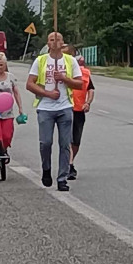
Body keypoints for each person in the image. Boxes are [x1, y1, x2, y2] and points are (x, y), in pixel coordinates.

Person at [26, 32, 83, 192]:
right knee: (46, 143)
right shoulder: (41, 60)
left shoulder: (70, 61)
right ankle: (46, 169)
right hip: (45, 108)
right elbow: (30, 84)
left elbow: (79, 84)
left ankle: (62, 178)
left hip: (64, 107)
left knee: (65, 144)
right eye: (52, 39)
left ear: (62, 43)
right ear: (48, 44)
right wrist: (48, 93)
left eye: (58, 39)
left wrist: (64, 79)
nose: (55, 42)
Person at [63, 45, 95, 180]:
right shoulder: (60, 71)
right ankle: (69, 165)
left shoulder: (84, 73)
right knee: (68, 140)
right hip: (65, 109)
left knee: (76, 141)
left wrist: (88, 102)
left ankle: (70, 162)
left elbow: (91, 89)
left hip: (79, 110)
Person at [0, 52, 23, 152]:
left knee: (7, 135)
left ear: (5, 65)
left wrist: (20, 107)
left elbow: (16, 92)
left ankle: (4, 149)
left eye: (1, 65)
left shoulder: (11, 77)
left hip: (8, 111)